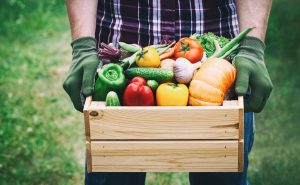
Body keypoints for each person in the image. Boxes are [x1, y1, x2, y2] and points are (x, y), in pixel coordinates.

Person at [63, 0, 273, 185]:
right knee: (112, 176)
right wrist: (82, 47)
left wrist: (252, 49)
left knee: (223, 173)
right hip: (121, 61)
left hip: (218, 69)